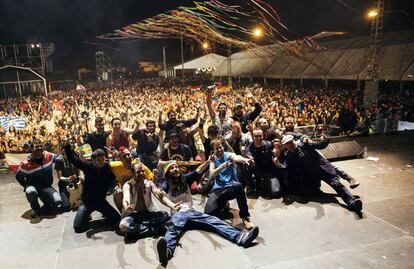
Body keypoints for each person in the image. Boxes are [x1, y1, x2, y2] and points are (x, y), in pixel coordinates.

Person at [156, 160, 259, 267]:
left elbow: (198, 171)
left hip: (192, 213)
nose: (174, 169)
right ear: (168, 173)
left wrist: (208, 161)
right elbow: (161, 190)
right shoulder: (166, 182)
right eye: (171, 168)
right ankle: (166, 253)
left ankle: (240, 238)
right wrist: (160, 191)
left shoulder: (185, 178)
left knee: (213, 220)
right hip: (178, 214)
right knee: (172, 230)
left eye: (176, 167)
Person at [280, 134, 363, 212]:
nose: (290, 145)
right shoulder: (289, 155)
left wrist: (325, 141)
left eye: (290, 142)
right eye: (287, 144)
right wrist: (278, 163)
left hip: (323, 169)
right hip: (311, 176)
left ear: (294, 140)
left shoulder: (304, 143)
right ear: (285, 146)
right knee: (307, 193)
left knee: (336, 184)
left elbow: (319, 145)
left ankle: (352, 202)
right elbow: (288, 167)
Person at [64, 143, 121, 233]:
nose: (101, 162)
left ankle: (102, 214)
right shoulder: (88, 166)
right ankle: (86, 215)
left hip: (101, 202)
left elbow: (121, 167)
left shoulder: (108, 167)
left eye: (103, 159)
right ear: (93, 160)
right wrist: (67, 147)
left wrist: (118, 156)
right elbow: (73, 160)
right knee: (77, 227)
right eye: (99, 160)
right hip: (87, 202)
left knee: (117, 219)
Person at [205, 139, 255, 230]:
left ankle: (245, 217)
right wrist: (223, 166)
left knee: (238, 185)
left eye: (220, 147)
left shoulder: (228, 155)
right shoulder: (212, 160)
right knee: (208, 213)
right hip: (219, 189)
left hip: (231, 187)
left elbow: (236, 157)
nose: (219, 150)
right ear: (213, 150)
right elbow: (211, 174)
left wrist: (245, 159)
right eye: (217, 148)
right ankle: (224, 205)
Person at [119, 162, 172, 243]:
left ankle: (136, 233)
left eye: (143, 171)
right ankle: (156, 229)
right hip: (133, 216)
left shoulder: (149, 183)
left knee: (167, 215)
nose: (141, 173)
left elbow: (157, 192)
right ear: (132, 173)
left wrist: (161, 194)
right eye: (138, 172)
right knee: (123, 225)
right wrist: (126, 206)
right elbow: (126, 198)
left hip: (148, 214)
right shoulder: (128, 185)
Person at [15, 139, 62, 217]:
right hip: (33, 187)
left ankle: (45, 201)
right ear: (31, 148)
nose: (40, 148)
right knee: (30, 191)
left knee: (58, 201)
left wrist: (59, 163)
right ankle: (35, 208)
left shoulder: (48, 156)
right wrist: (26, 186)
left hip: (46, 186)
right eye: (37, 147)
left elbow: (59, 157)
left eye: (41, 146)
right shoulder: (25, 164)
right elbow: (18, 177)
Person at [110, 147, 153, 212]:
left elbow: (151, 178)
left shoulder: (138, 166)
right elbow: (103, 162)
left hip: (138, 191)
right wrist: (111, 157)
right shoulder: (115, 166)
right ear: (120, 159)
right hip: (125, 191)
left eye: (128, 154)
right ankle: (124, 213)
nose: (127, 157)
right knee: (117, 192)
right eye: (124, 156)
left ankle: (145, 210)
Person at [246, 129, 284, 198]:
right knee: (247, 165)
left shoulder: (269, 144)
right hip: (258, 172)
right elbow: (249, 155)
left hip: (270, 172)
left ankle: (265, 183)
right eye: (256, 136)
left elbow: (276, 154)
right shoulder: (249, 148)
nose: (258, 138)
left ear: (263, 136)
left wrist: (276, 155)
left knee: (276, 193)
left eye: (260, 136)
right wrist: (250, 159)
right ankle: (251, 186)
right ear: (253, 137)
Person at [55, 141, 82, 211]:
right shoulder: (59, 160)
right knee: (66, 206)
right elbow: (60, 177)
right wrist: (68, 178)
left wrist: (79, 177)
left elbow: (79, 170)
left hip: (76, 182)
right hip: (65, 184)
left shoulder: (75, 157)